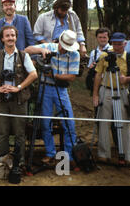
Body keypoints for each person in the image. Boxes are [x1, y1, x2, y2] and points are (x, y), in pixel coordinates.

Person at [25, 30, 80, 169]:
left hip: (61, 89)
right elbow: (26, 50)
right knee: (45, 122)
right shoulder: (50, 47)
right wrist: (41, 49)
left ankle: (69, 155)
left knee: (68, 122)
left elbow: (72, 77)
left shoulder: (75, 54)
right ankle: (50, 153)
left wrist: (53, 75)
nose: (62, 49)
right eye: (62, 45)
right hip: (45, 88)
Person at [0, 26, 37, 165]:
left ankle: (19, 163)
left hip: (19, 99)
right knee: (3, 132)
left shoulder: (23, 55)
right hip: (1, 99)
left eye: (12, 35)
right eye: (7, 36)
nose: (10, 38)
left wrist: (18, 87)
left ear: (16, 37)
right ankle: (3, 161)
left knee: (20, 132)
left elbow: (33, 74)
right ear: (2, 39)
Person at [92, 32, 130, 165]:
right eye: (114, 44)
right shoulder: (104, 56)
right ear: (111, 43)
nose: (117, 47)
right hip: (106, 91)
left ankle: (127, 155)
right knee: (104, 122)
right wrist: (95, 94)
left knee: (124, 123)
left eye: (119, 44)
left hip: (123, 91)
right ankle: (103, 154)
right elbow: (98, 75)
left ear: (124, 43)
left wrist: (127, 79)